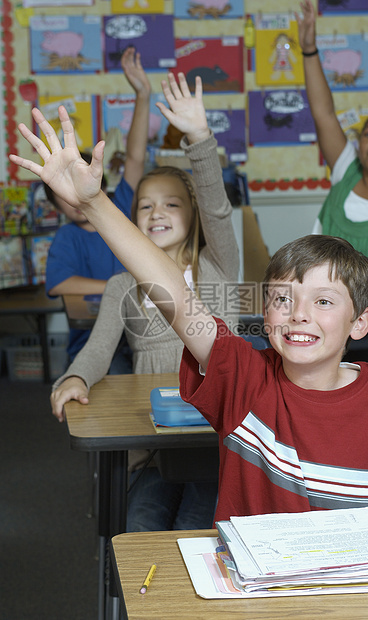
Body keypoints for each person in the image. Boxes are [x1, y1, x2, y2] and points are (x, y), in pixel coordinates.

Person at [11, 78, 368, 525]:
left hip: (356, 589)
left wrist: (200, 139)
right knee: (148, 521)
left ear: (361, 322)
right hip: (243, 570)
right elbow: (175, 297)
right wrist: (94, 203)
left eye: (323, 301)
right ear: (264, 311)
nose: (299, 312)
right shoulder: (245, 379)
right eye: (283, 298)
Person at [48, 72, 240, 531]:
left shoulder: (218, 266)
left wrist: (199, 136)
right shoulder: (121, 285)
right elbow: (98, 349)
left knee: (199, 528)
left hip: (216, 440)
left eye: (172, 204)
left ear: (192, 217)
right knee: (140, 527)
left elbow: (217, 206)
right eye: (146, 206)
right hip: (152, 442)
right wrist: (75, 376)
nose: (156, 212)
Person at [45, 46, 151, 361]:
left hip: (140, 340)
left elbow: (135, 157)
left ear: (100, 183)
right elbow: (61, 283)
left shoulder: (121, 208)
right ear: (57, 204)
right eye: (65, 195)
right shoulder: (68, 237)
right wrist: (118, 287)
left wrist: (143, 96)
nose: (76, 200)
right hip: (94, 347)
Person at [297, 0, 368, 280]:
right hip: (321, 299)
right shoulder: (345, 169)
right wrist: (309, 50)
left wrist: (355, 273)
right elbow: (323, 113)